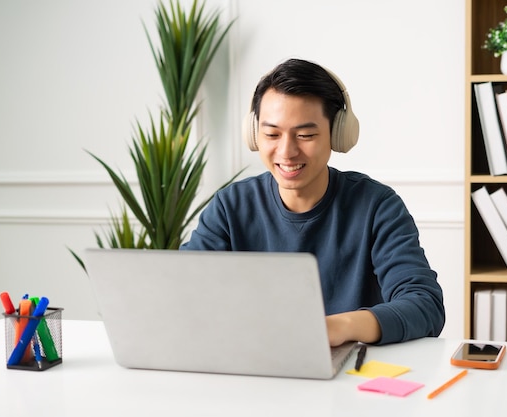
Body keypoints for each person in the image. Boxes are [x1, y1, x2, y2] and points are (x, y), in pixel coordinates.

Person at [181, 58, 445, 346]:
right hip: (254, 368)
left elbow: (424, 304)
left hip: (349, 376)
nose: (287, 151)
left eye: (305, 135)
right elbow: (181, 290)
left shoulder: (377, 206)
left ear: (338, 133)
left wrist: (336, 327)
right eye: (271, 134)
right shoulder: (230, 207)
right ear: (254, 134)